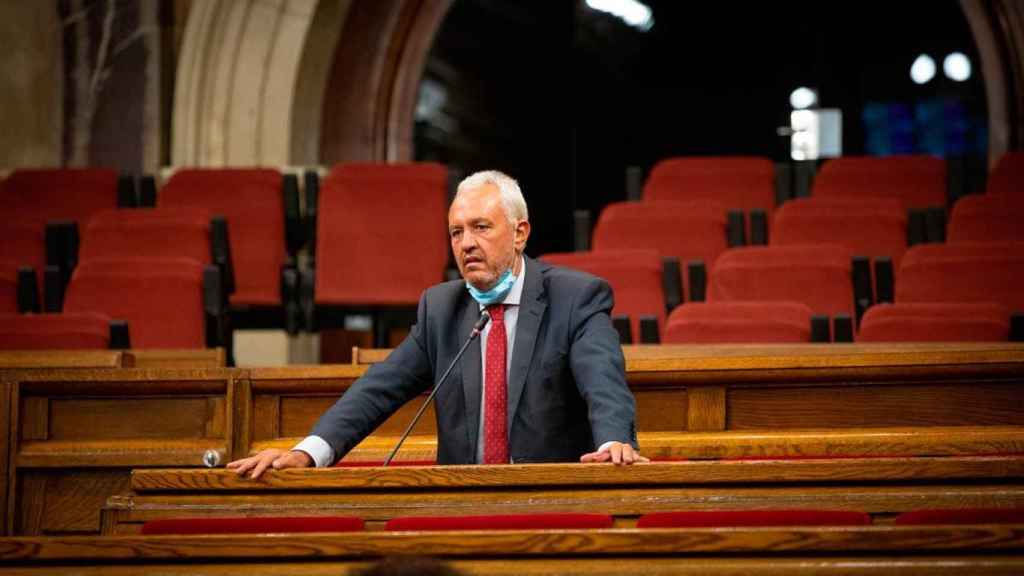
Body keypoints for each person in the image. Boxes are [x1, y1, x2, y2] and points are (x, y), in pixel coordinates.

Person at [229, 170, 646, 479]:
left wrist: (613, 442)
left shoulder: (575, 297)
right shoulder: (441, 307)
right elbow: (379, 389)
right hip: (457, 502)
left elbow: (603, 382)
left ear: (520, 233)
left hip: (551, 502)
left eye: (481, 228)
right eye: (456, 232)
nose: (466, 243)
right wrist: (308, 452)